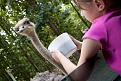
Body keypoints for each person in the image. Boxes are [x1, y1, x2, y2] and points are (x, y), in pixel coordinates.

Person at [51, 0, 121, 78]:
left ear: (98, 4)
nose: (81, 14)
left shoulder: (97, 29)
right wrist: (81, 45)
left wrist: (59, 55)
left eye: (81, 9)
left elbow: (79, 76)